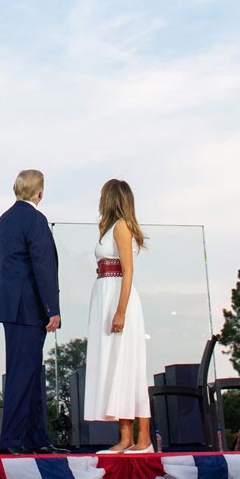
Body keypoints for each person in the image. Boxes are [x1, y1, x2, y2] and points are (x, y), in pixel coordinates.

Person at [0, 168, 63, 454]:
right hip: (30, 308)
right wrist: (52, 308)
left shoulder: (4, 219)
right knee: (24, 374)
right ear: (40, 192)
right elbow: (42, 266)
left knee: (32, 374)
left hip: (10, 306)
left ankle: (38, 439)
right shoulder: (36, 220)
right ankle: (11, 440)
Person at [84, 178, 152, 453]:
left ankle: (144, 438)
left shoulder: (121, 227)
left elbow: (128, 271)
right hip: (104, 296)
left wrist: (121, 310)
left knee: (129, 365)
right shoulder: (108, 228)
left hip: (118, 299)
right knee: (115, 366)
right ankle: (125, 437)